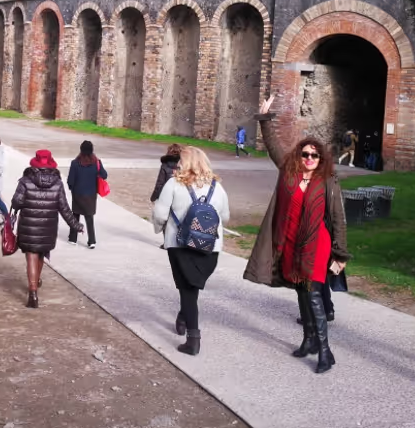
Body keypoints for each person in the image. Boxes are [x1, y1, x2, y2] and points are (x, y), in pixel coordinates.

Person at [244, 95, 350, 374]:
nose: (310, 159)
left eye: (315, 155)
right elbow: (273, 146)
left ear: (321, 158)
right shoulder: (289, 170)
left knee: (314, 293)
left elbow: (338, 218)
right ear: (299, 156)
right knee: (301, 292)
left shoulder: (327, 181)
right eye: (306, 154)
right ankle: (308, 340)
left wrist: (341, 255)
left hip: (317, 245)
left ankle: (326, 352)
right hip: (290, 242)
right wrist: (265, 118)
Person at [152, 146, 230, 356]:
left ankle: (193, 339)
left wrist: (160, 230)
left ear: (185, 163)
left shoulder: (174, 184)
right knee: (191, 289)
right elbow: (225, 216)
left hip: (181, 245)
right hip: (210, 248)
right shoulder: (217, 187)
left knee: (187, 290)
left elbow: (160, 214)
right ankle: (183, 316)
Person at [11, 150, 79, 309]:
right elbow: (64, 208)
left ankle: (33, 292)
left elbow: (16, 203)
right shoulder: (57, 183)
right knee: (41, 253)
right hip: (48, 228)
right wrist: (76, 225)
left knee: (31, 256)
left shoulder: (25, 180)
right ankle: (36, 281)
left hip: (28, 225)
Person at [66, 140, 108, 249]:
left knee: (75, 216)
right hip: (90, 195)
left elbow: (70, 180)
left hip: (77, 194)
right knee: (89, 218)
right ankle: (92, 241)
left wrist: (72, 189)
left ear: (81, 150)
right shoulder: (97, 163)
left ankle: (73, 238)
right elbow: (104, 175)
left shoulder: (75, 163)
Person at [150, 144, 182, 249]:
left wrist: (154, 196)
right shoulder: (182, 166)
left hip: (165, 195)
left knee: (165, 218)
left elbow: (160, 182)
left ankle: (167, 243)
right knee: (177, 218)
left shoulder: (165, 165)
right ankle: (177, 241)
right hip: (179, 194)